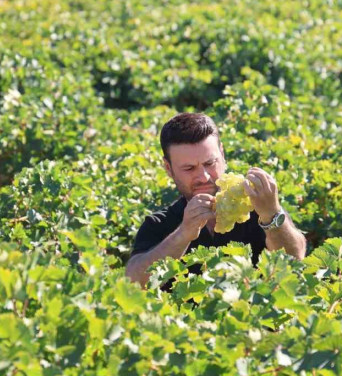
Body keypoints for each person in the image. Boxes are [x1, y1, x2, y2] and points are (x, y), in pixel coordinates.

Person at [125, 112, 307, 287]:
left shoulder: (256, 207)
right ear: (168, 168)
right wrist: (183, 234)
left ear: (222, 155)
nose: (203, 176)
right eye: (189, 168)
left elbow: (295, 259)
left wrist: (271, 214)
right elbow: (132, 283)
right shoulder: (159, 223)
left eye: (210, 163)